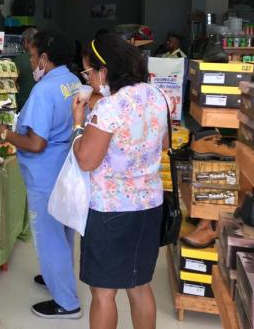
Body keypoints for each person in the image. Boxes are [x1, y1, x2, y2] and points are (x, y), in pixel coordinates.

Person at [71, 32, 169, 329]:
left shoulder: (108, 108)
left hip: (110, 210)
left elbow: (86, 160)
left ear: (105, 70)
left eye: (89, 71)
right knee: (139, 285)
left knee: (103, 291)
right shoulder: (157, 96)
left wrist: (78, 125)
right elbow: (163, 144)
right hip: (149, 205)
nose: (88, 79)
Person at [0, 30, 83, 319]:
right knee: (63, 230)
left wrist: (6, 134)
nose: (31, 62)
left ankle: (67, 302)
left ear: (44, 57)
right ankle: (55, 276)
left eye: (32, 56)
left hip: (45, 172)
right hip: (64, 167)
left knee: (49, 236)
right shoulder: (72, 81)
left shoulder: (44, 90)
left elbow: (36, 142)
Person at [15, 27, 38, 110]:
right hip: (39, 102)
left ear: (25, 41)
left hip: (24, 102)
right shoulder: (45, 58)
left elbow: (12, 82)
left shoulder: (19, 59)